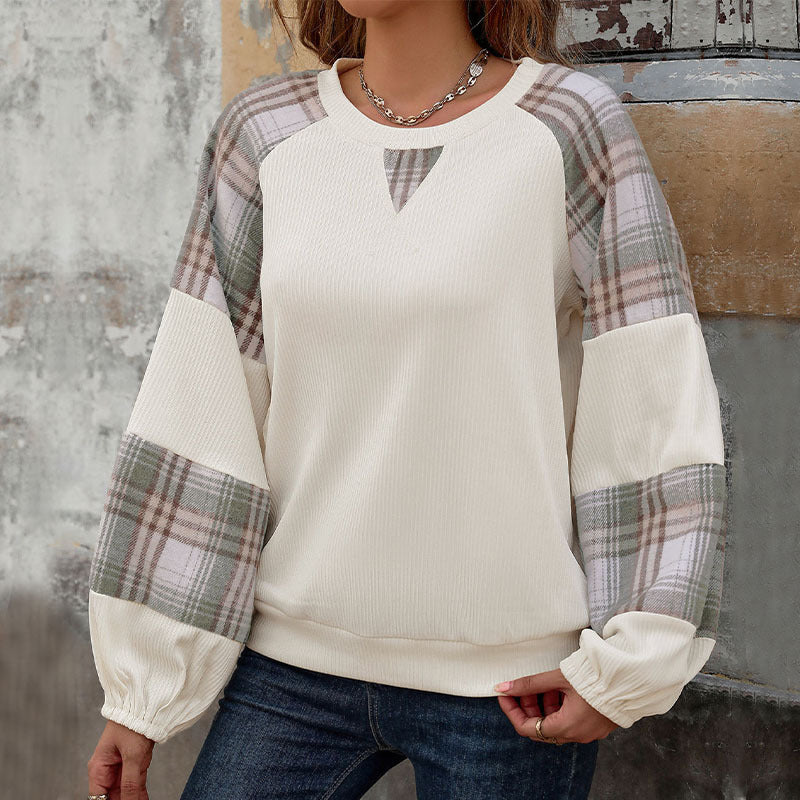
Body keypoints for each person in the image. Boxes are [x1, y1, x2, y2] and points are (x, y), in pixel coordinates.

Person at [85, 0, 728, 798]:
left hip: (511, 684)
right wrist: (143, 691)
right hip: (289, 670)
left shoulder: (567, 126)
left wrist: (628, 665)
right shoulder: (263, 134)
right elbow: (201, 402)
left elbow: (650, 391)